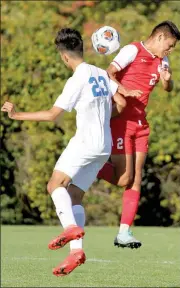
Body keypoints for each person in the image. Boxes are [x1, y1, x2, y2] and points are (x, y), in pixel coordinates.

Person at [1, 28, 125, 276]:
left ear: (64, 57)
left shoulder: (77, 78)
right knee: (75, 195)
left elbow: (52, 115)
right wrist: (102, 117)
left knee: (54, 185)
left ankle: (69, 227)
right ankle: (76, 251)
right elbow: (121, 103)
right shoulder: (101, 74)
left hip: (85, 142)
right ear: (80, 49)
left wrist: (16, 115)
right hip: (104, 146)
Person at [97, 20, 180, 249]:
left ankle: (124, 232)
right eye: (170, 45)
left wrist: (168, 81)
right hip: (120, 121)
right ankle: (90, 164)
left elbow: (168, 88)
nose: (170, 50)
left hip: (141, 123)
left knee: (135, 177)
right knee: (124, 178)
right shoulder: (132, 50)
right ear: (161, 37)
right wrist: (123, 90)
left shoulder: (163, 60)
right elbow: (108, 73)